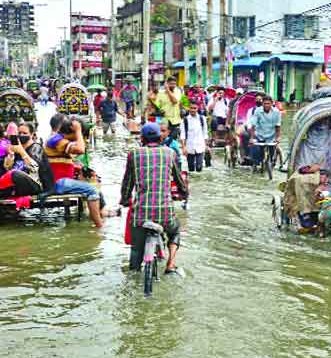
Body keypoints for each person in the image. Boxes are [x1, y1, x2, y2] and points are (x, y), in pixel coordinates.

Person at [120, 123, 188, 274]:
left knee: (136, 250)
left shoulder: (134, 154)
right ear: (160, 137)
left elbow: (127, 182)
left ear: (142, 138)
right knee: (175, 230)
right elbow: (179, 180)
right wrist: (184, 194)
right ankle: (171, 263)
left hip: (141, 215)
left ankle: (134, 271)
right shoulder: (170, 153)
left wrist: (124, 200)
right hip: (165, 214)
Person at [45, 114, 105, 227]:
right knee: (92, 191)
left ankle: (102, 213)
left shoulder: (59, 140)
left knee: (94, 184)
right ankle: (99, 226)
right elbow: (81, 149)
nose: (80, 138)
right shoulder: (57, 140)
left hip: (61, 181)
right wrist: (78, 131)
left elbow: (62, 162)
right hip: (59, 182)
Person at [0, 122, 55, 201]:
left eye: (25, 133)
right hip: (18, 183)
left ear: (32, 135)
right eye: (19, 133)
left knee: (15, 173)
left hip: (36, 184)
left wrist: (22, 152)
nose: (21, 135)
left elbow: (34, 168)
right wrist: (10, 155)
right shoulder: (16, 147)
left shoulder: (36, 148)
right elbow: (7, 168)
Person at [248, 96, 281, 166]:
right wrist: (251, 138)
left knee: (272, 156)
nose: (266, 105)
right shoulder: (258, 111)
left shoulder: (276, 112)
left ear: (272, 104)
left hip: (271, 136)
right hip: (259, 135)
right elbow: (253, 125)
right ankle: (256, 163)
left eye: (268, 103)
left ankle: (271, 163)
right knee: (256, 152)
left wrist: (278, 137)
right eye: (265, 103)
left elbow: (278, 126)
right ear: (262, 104)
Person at [182, 102, 209, 172]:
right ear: (189, 108)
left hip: (200, 146)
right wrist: (183, 147)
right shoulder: (185, 120)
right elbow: (183, 135)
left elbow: (205, 133)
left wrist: (206, 145)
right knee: (191, 169)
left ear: (197, 109)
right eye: (191, 108)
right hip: (189, 147)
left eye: (195, 108)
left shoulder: (202, 119)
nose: (193, 110)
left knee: (199, 168)